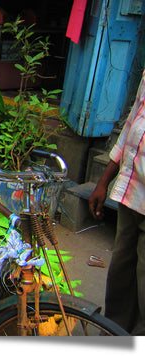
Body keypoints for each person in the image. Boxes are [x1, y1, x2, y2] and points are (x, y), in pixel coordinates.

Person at [89, 68, 145, 335]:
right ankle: (114, 335)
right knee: (121, 275)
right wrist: (105, 180)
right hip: (131, 194)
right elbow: (132, 127)